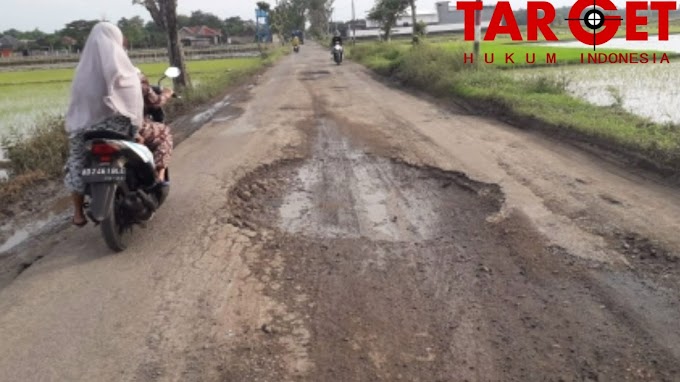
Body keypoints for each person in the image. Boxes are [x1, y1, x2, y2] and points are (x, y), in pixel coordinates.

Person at [64, 22, 143, 227]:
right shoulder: (122, 69)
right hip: (116, 129)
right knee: (137, 147)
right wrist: (136, 128)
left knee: (75, 163)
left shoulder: (82, 73)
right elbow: (132, 102)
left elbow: (76, 106)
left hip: (84, 131)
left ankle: (77, 213)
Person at [138, 71, 174, 184]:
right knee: (163, 133)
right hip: (129, 128)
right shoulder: (131, 76)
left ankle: (80, 198)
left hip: (90, 130)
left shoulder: (85, 77)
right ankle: (159, 177)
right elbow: (154, 102)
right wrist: (166, 94)